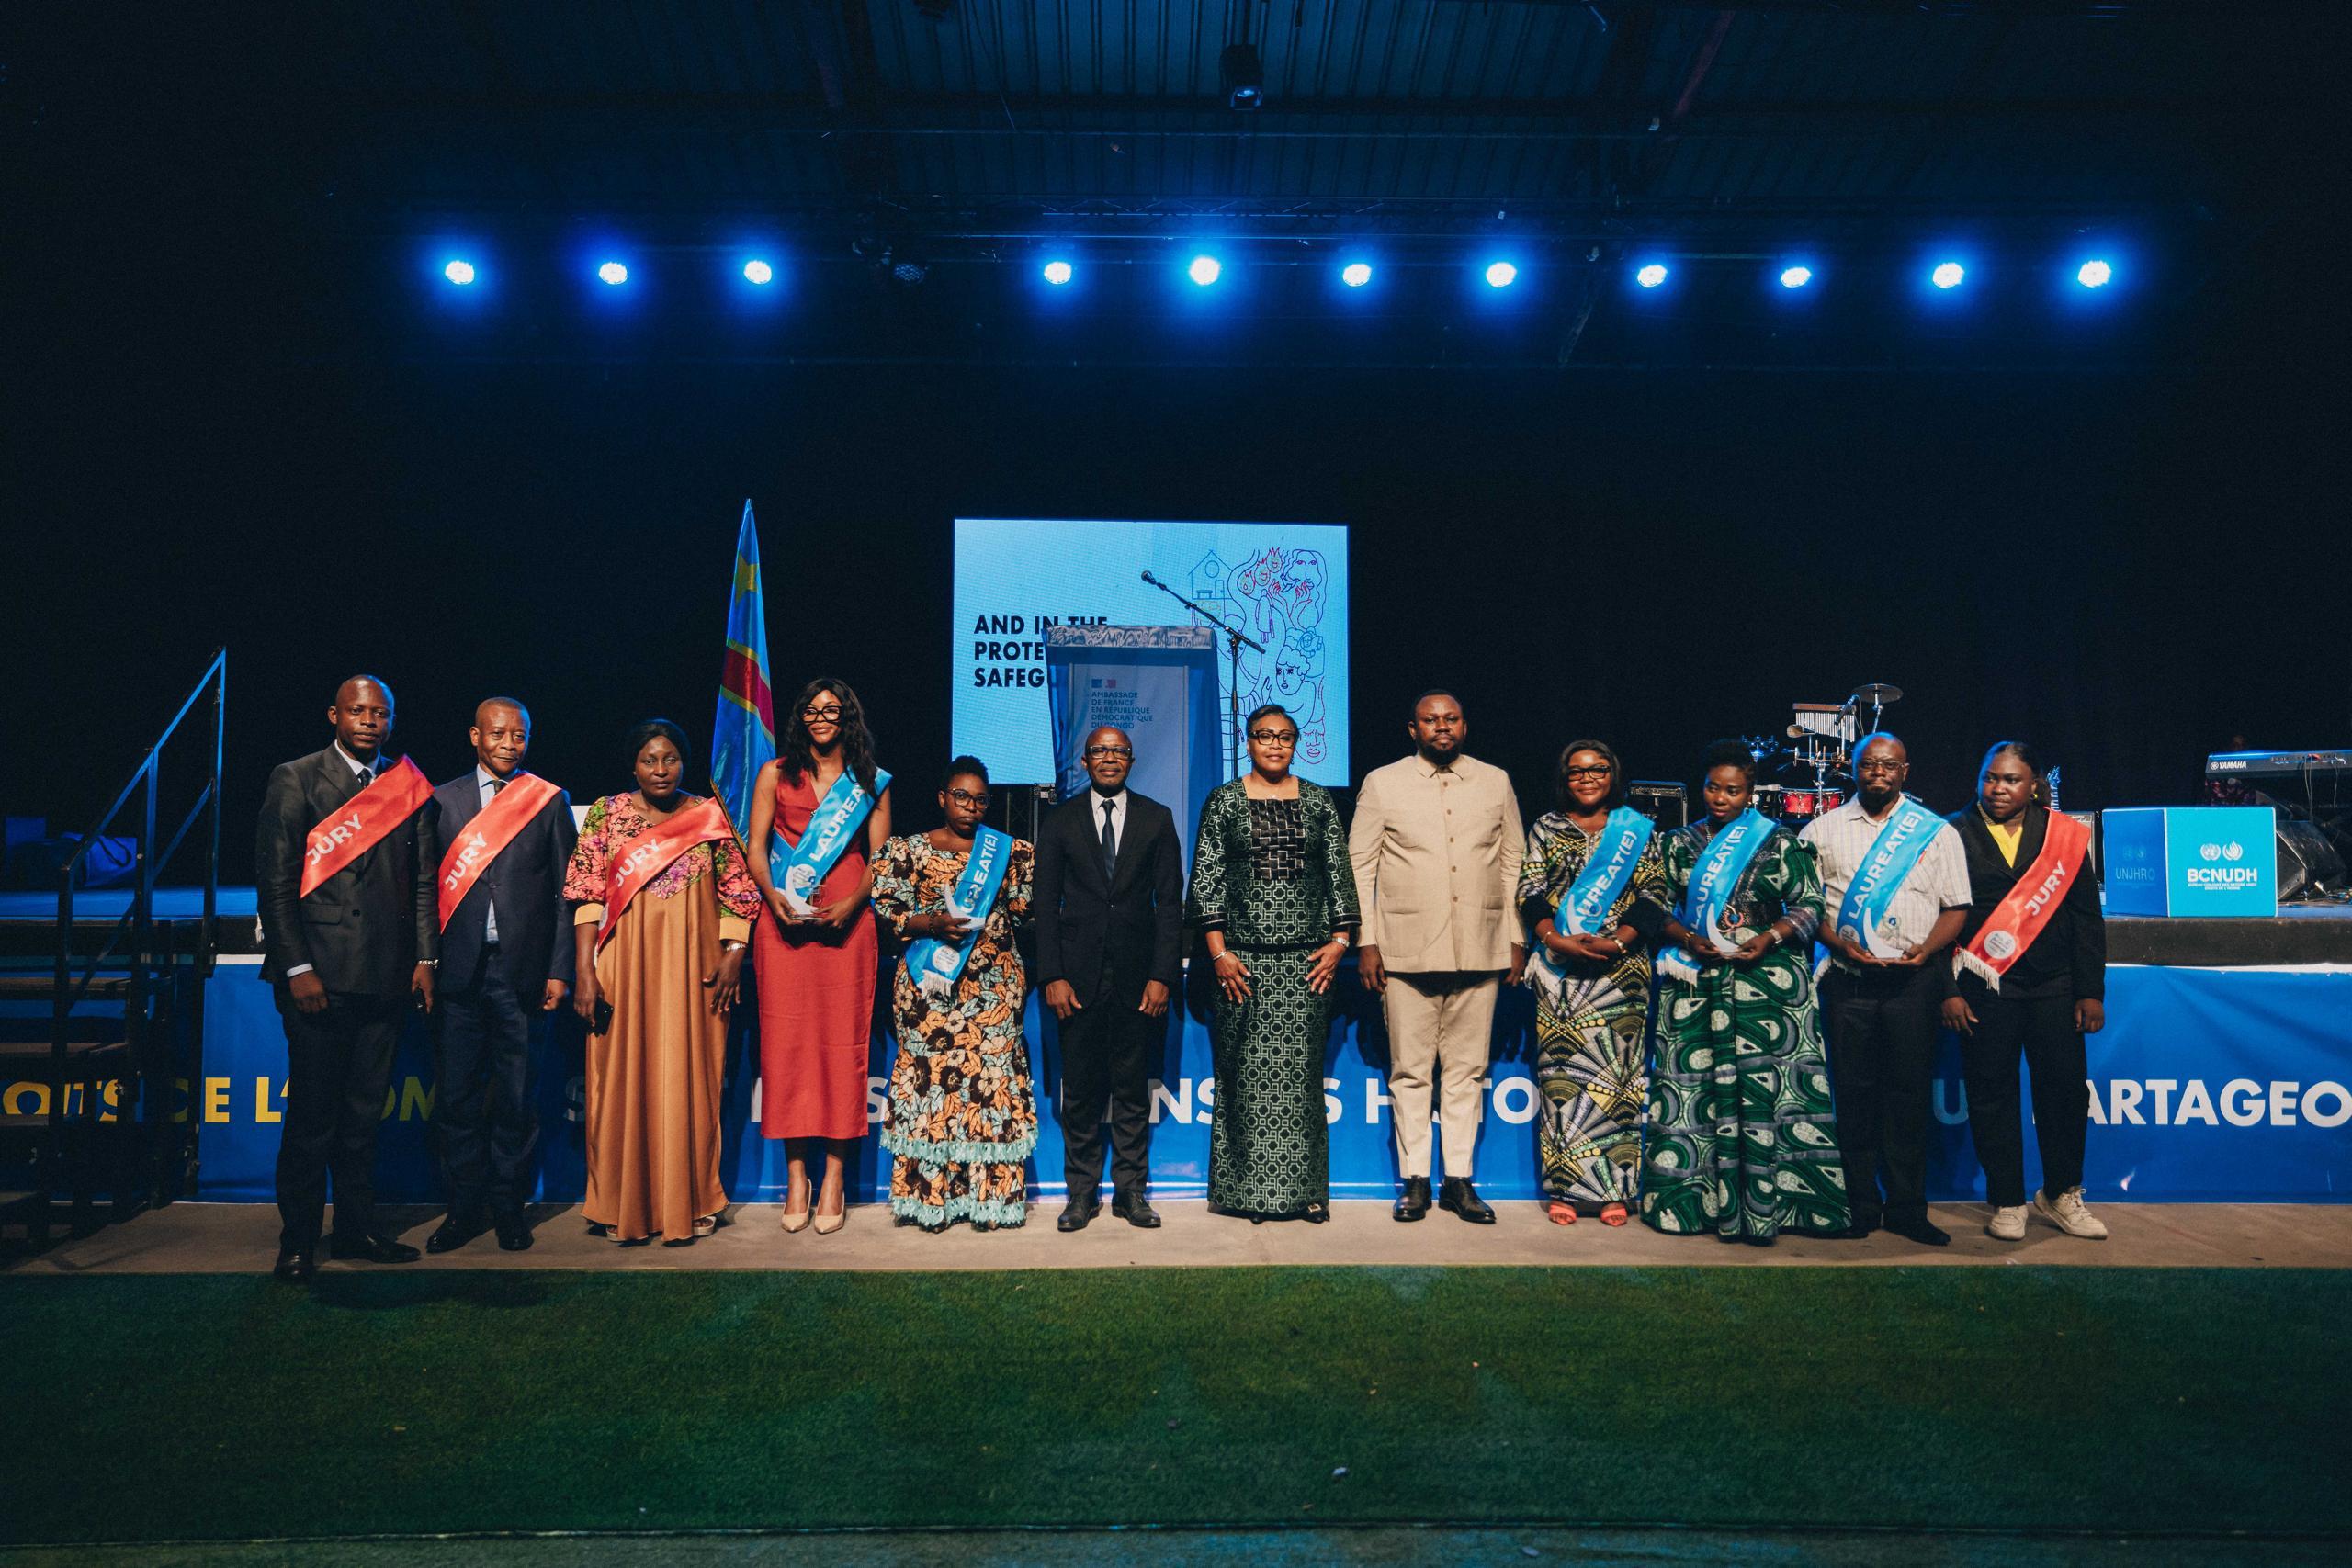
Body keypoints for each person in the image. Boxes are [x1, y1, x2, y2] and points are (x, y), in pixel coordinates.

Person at [254, 674, 437, 1282]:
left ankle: (358, 1229)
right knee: (313, 1119)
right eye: (358, 711)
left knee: (363, 1119)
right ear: (334, 715)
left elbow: (422, 882)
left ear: (391, 720)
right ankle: (299, 1241)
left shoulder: (405, 786)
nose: (369, 721)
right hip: (318, 977)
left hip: (385, 976)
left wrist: (425, 959)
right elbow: (276, 882)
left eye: (380, 713)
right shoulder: (296, 777)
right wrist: (297, 966)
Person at [1640, 739, 1851, 1244]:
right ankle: (1690, 1205)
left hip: (1769, 983)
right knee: (1695, 1090)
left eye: (1733, 791)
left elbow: (1809, 904)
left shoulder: (1780, 841)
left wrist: (1770, 936)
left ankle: (1781, 1208)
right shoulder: (1676, 843)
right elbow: (1652, 905)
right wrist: (1686, 938)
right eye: (1713, 788)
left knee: (1772, 1094)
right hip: (1698, 982)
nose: (1721, 798)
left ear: (1749, 793)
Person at [563, 720, 759, 1246]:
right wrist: (584, 971)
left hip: (694, 973)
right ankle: (618, 1203)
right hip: (621, 969)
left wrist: (734, 954)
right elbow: (587, 895)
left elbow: (739, 893)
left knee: (691, 1080)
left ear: (683, 763)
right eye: (649, 760)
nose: (660, 770)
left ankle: (691, 1199)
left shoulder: (709, 815)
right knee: (617, 1082)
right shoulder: (606, 814)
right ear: (633, 766)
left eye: (670, 759)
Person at [1349, 691, 1525, 1224]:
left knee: (1467, 1071)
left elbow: (1513, 860)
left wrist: (1515, 937)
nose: (1441, 727)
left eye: (1451, 719)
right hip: (1405, 950)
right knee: (1410, 1072)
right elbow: (1360, 866)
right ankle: (1416, 1181)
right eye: (1431, 720)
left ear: (1464, 726)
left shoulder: (1495, 781)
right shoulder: (1383, 782)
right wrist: (1366, 940)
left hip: (1480, 945)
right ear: (1413, 729)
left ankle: (1459, 1181)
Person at [1189, 704, 1361, 1223]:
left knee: (1302, 1081)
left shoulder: (1318, 801)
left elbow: (1339, 873)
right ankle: (1248, 1195)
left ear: (1295, 743)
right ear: (1248, 742)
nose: (1275, 745)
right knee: (1242, 1079)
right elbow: (1206, 880)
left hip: (1307, 966)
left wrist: (1340, 942)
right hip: (1240, 967)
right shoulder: (1223, 801)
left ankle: (1306, 1194)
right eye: (1265, 736)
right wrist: (1218, 954)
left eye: (1285, 737)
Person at [1799, 732, 1972, 1247]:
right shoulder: (1820, 830)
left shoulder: (1936, 832)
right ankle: (1858, 1206)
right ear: (1854, 769)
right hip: (1848, 983)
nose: (1879, 772)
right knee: (1853, 1098)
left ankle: (1907, 1210)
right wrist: (1839, 945)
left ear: (1905, 771)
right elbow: (1805, 907)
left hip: (1913, 985)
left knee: (1908, 1098)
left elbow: (1956, 907)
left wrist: (1927, 950)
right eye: (1869, 764)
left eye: (1889, 765)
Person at [421, 698, 577, 1254]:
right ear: (474, 736)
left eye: (519, 735)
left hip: (523, 974)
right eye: (498, 733)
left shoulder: (548, 799)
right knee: (457, 1100)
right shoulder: (441, 800)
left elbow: (567, 894)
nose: (509, 743)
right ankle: (463, 1211)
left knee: (516, 1099)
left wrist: (560, 969)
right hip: (457, 974)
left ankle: (509, 1209)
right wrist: (425, 962)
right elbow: (423, 891)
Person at [1943, 740, 2108, 1242]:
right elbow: (1936, 917)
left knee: (2064, 1093)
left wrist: (2090, 991)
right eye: (1990, 777)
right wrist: (1947, 990)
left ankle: (2061, 1193)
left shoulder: (2063, 835)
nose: (1998, 788)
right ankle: (2008, 1200)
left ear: (2033, 784)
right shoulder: (1951, 832)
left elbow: (2086, 917)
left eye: (2011, 779)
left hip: (2055, 986)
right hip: (1983, 987)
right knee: (1991, 1094)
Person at [746, 678, 891, 1235]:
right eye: (812, 710)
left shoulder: (869, 781)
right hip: (783, 923)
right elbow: (756, 848)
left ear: (848, 716)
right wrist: (772, 898)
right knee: (787, 1047)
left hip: (848, 925)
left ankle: (834, 1177)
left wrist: (854, 903)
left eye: (832, 710)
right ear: (800, 718)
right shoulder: (775, 774)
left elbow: (881, 857)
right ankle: (796, 1177)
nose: (821, 718)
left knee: (841, 1045)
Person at [871, 758, 1038, 1230]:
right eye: (961, 796)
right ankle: (933, 1201)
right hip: (928, 989)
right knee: (932, 1085)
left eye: (980, 799)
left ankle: (990, 1201)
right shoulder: (908, 850)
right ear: (942, 797)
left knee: (991, 1084)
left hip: (994, 990)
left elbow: (1025, 912)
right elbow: (888, 910)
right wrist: (932, 923)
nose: (971, 806)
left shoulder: (1010, 852)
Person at [1035, 725, 1184, 1232]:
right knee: (1079, 1092)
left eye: (1119, 751)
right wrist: (1052, 974)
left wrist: (1162, 975)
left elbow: (1170, 905)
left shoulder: (1157, 818)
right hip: (1075, 982)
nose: (1109, 758)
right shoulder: (1059, 821)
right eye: (1100, 750)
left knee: (1132, 1091)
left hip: (1138, 982)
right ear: (1084, 761)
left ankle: (1130, 1192)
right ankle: (1081, 1195)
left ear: (1131, 760)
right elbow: (1044, 906)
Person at [1516, 740, 1667, 1227]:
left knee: (1618, 1082)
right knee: (1562, 1080)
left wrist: (1618, 942)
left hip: (1621, 973)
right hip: (1560, 973)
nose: (1587, 778)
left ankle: (1613, 1191)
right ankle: (1565, 1190)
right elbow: (1530, 892)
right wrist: (1556, 940)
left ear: (1612, 774)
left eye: (1597, 770)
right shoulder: (1546, 827)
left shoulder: (1637, 828)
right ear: (1565, 778)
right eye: (1577, 771)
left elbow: (1654, 895)